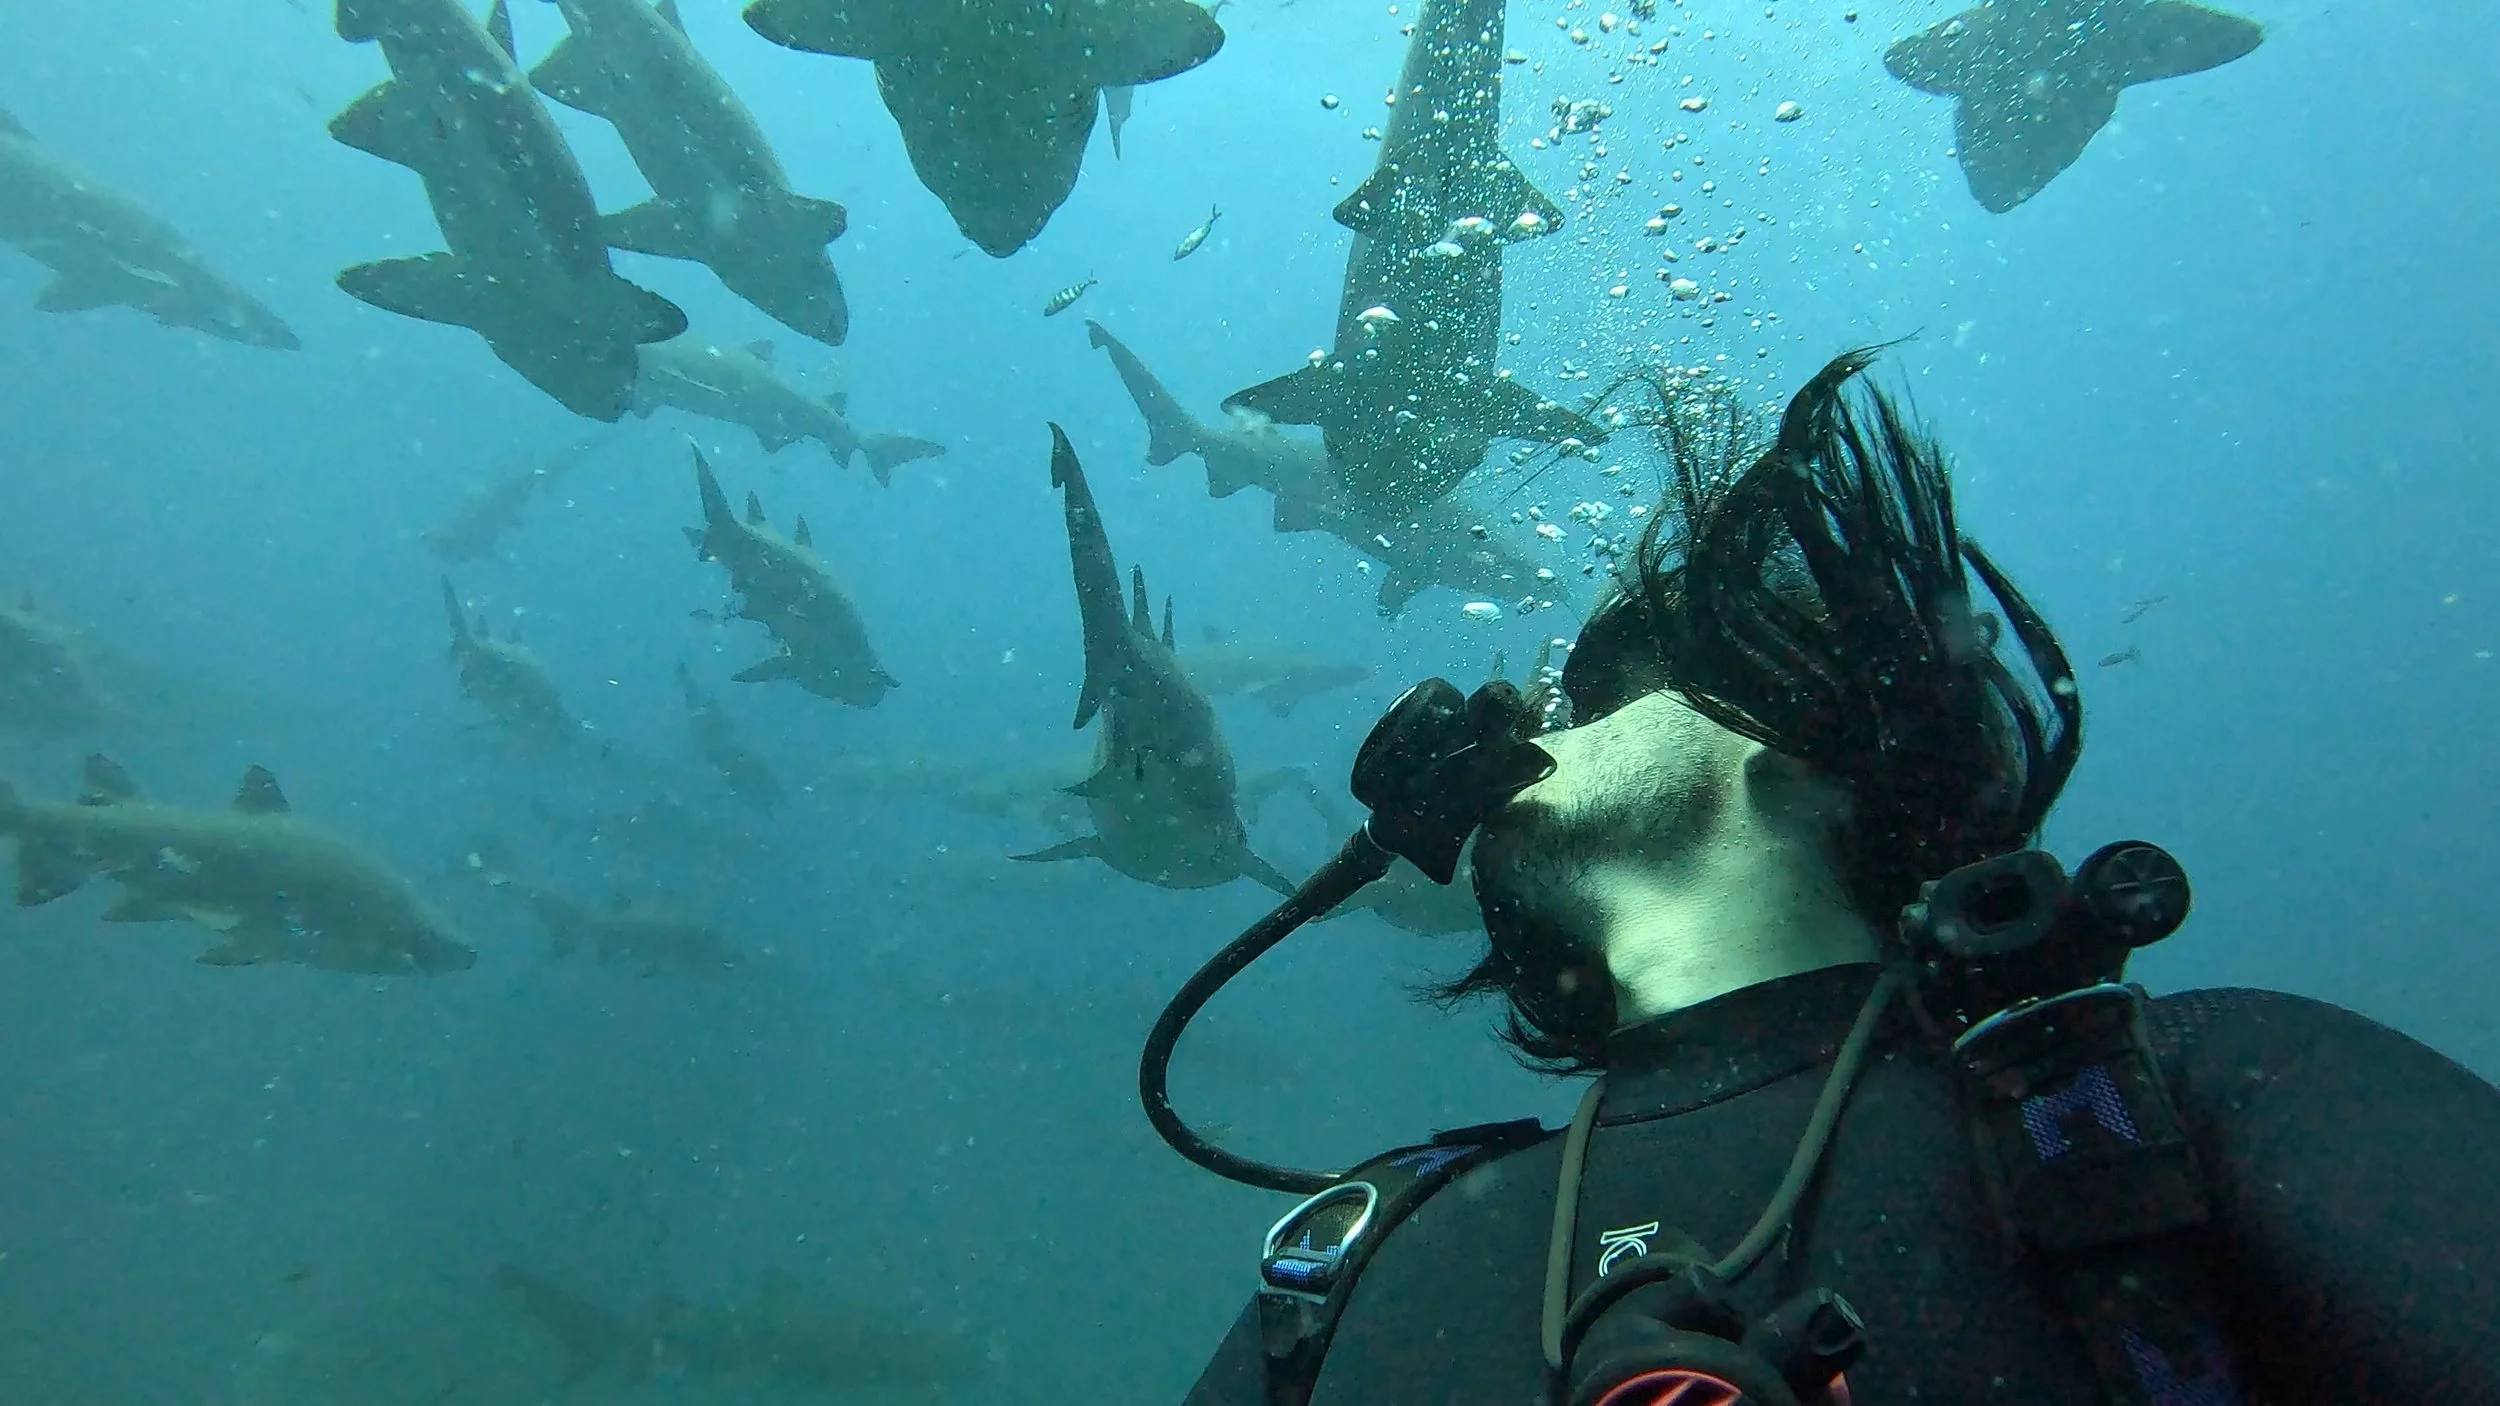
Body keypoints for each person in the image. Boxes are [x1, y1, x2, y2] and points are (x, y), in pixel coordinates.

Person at [1173, 350, 2500, 1406]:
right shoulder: (1355, 1254)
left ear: (1799, 750)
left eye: (1600, 691)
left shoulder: (2175, 1102)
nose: (1534, 720)